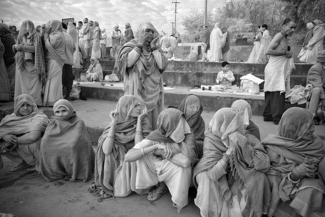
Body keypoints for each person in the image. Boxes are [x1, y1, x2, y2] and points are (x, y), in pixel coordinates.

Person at [193, 108, 271, 217]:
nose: (237, 128)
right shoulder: (211, 139)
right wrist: (229, 153)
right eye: (232, 126)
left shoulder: (244, 136)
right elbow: (213, 173)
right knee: (205, 177)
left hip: (236, 174)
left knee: (258, 177)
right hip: (217, 175)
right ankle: (214, 211)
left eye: (237, 125)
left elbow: (263, 163)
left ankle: (236, 211)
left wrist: (243, 147)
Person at [124, 108, 198, 213]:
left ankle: (180, 197)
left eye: (183, 122)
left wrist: (162, 153)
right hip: (160, 167)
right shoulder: (157, 135)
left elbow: (185, 162)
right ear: (168, 125)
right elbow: (128, 157)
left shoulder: (188, 136)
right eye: (178, 124)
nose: (183, 126)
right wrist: (155, 148)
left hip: (177, 169)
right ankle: (159, 184)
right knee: (141, 154)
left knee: (183, 168)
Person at [262, 107, 325, 217]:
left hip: (304, 185)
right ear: (294, 128)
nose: (314, 129)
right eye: (309, 126)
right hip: (285, 193)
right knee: (311, 189)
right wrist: (294, 175)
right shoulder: (272, 149)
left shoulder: (316, 144)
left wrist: (313, 171)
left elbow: (319, 171)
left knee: (315, 187)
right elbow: (270, 181)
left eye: (313, 124)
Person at [92, 95, 152, 198]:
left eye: (139, 105)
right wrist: (113, 124)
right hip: (120, 159)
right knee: (110, 151)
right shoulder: (117, 123)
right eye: (135, 106)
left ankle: (126, 183)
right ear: (124, 108)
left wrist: (139, 122)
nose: (139, 108)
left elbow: (139, 146)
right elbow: (106, 150)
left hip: (134, 158)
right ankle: (113, 182)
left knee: (132, 155)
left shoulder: (143, 121)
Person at [115, 22, 168, 129]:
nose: (150, 34)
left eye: (152, 31)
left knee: (152, 121)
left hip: (153, 90)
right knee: (136, 116)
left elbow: (161, 65)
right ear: (140, 32)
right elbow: (127, 62)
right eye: (147, 31)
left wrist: (153, 48)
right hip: (136, 89)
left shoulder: (156, 49)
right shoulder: (130, 46)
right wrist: (140, 45)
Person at [39, 99, 94, 181]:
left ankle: (73, 171)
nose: (61, 114)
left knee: (72, 147)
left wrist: (65, 144)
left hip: (73, 145)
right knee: (44, 143)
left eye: (64, 111)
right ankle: (55, 170)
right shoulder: (53, 122)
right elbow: (47, 138)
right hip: (64, 143)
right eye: (57, 112)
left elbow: (77, 140)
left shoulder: (78, 121)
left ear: (71, 111)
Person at [0, 94, 48, 172]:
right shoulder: (10, 118)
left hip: (35, 145)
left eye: (28, 105)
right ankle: (25, 162)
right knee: (1, 144)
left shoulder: (39, 117)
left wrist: (11, 141)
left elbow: (33, 137)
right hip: (21, 143)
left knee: (34, 144)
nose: (25, 108)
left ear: (33, 106)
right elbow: (2, 131)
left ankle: (42, 164)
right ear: (17, 106)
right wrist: (4, 136)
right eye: (22, 105)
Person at [263, 18, 296, 125]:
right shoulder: (279, 35)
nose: (293, 30)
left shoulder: (285, 37)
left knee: (272, 90)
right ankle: (277, 118)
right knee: (277, 91)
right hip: (274, 68)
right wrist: (285, 53)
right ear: (283, 27)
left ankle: (268, 115)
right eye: (291, 27)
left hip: (276, 69)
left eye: (294, 28)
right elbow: (268, 51)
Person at [13, 20, 46, 106]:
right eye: (24, 26)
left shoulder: (36, 36)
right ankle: (23, 101)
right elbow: (17, 47)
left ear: (31, 26)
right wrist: (17, 47)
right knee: (22, 84)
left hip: (33, 63)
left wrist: (22, 47)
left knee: (34, 83)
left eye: (27, 26)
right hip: (22, 63)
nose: (25, 28)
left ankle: (34, 101)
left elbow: (36, 49)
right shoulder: (20, 36)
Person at [43, 20, 67, 106]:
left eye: (51, 25)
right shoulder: (56, 35)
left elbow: (48, 44)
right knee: (51, 79)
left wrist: (45, 34)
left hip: (55, 60)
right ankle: (51, 99)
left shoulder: (58, 36)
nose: (49, 26)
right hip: (52, 60)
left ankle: (53, 100)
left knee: (53, 79)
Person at [306, 51, 325, 124]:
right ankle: (311, 117)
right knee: (317, 90)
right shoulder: (315, 68)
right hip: (316, 93)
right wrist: (323, 99)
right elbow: (318, 85)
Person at [0, 24, 16, 98]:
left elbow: (2, 48)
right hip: (12, 59)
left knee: (6, 79)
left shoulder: (3, 37)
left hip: (8, 60)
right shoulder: (9, 36)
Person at [62, 22, 76, 100]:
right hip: (69, 61)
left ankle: (62, 96)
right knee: (68, 79)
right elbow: (74, 48)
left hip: (62, 62)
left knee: (62, 79)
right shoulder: (69, 37)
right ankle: (67, 96)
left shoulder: (59, 35)